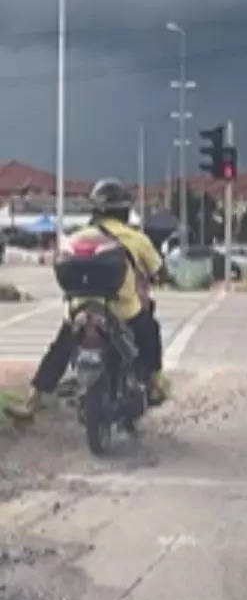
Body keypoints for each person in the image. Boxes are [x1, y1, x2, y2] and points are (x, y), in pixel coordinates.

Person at [5, 178, 168, 421]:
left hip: (80, 309)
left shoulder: (78, 237)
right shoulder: (136, 239)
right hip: (123, 311)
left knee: (60, 349)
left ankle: (33, 400)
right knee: (150, 331)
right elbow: (159, 271)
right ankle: (154, 384)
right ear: (124, 210)